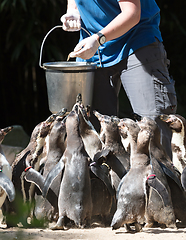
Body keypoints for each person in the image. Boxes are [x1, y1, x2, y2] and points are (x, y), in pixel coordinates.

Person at [60, 0, 177, 159]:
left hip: (136, 39)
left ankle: (160, 180)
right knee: (88, 134)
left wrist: (99, 39)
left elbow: (132, 13)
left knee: (153, 130)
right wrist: (73, 10)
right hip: (91, 46)